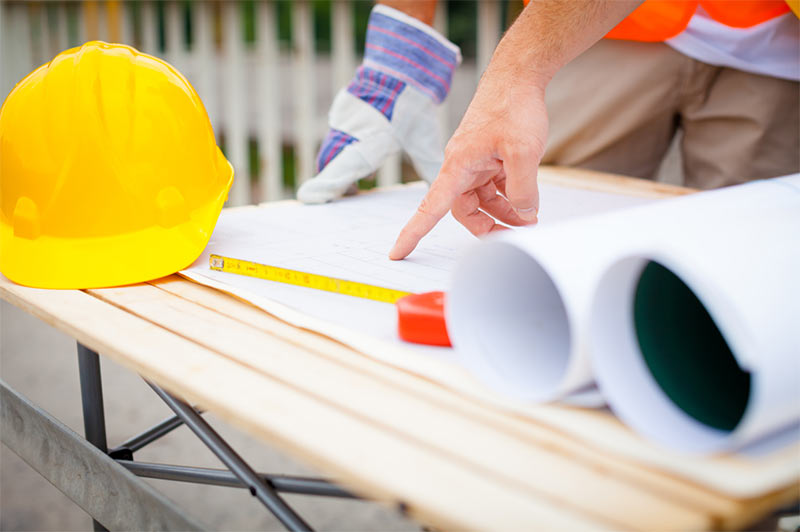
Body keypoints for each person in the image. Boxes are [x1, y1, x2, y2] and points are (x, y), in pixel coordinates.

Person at [297, 1, 800, 260]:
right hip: (594, 24)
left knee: (748, 254)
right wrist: (401, 48)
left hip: (777, 46)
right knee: (541, 229)